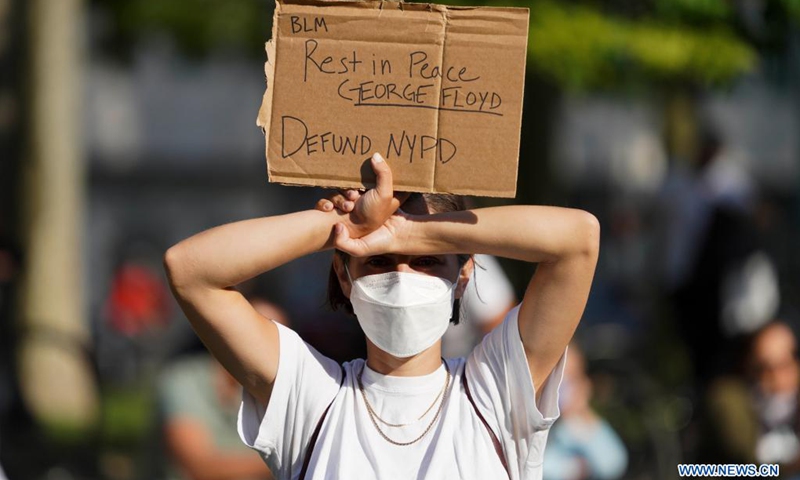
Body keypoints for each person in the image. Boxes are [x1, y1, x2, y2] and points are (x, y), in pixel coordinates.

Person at [164, 154, 600, 479]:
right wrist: (348, 225)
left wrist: (412, 229)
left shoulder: (496, 395)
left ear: (463, 276)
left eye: (428, 261)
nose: (402, 276)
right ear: (345, 274)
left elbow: (578, 240)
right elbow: (190, 269)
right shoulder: (314, 398)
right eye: (379, 260)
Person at [158, 297, 290, 480]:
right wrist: (290, 459)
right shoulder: (183, 380)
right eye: (260, 333)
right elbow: (200, 467)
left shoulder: (285, 396)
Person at [702, 321, 800, 474]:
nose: (773, 377)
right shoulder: (727, 398)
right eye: (763, 368)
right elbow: (746, 459)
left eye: (782, 365)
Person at [542, 344, 627, 480]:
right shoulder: (536, 422)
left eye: (570, 378)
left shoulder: (574, 428)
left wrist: (583, 415)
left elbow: (612, 463)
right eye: (558, 376)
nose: (563, 387)